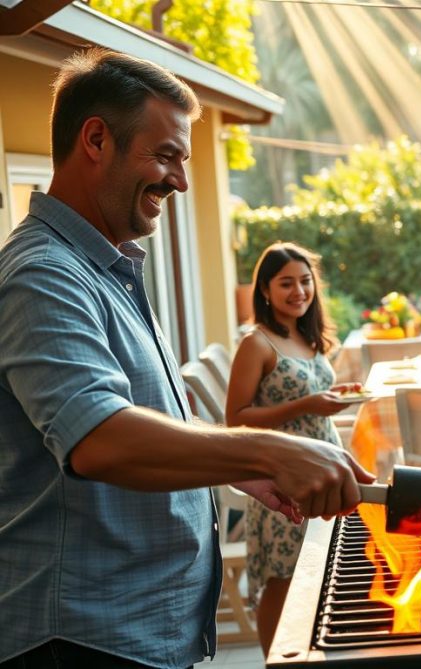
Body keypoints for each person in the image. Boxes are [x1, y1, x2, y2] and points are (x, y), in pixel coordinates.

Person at [0, 48, 374, 669]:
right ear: (96, 139)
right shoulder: (44, 275)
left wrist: (231, 468)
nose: (180, 180)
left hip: (136, 633)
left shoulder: (105, 271)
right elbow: (99, 438)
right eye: (166, 155)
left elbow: (140, 417)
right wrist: (268, 448)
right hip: (80, 640)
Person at [225, 242, 354, 654]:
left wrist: (332, 398)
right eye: (286, 284)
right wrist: (308, 404)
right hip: (283, 480)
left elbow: (312, 397)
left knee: (321, 570)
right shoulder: (257, 343)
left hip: (323, 471)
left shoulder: (306, 334)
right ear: (264, 290)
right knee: (284, 579)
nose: (298, 291)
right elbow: (237, 418)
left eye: (305, 281)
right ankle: (275, 661)